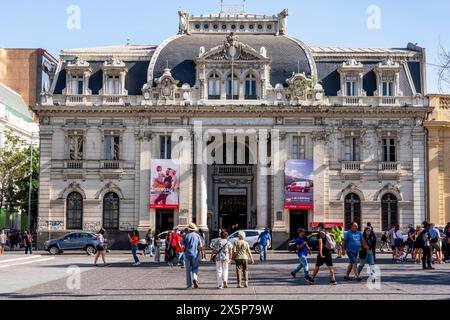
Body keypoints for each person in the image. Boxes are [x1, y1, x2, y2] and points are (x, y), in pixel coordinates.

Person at [181, 223, 203, 290]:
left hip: (187, 254)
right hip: (195, 254)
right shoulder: (197, 236)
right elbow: (200, 246)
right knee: (195, 267)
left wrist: (184, 251)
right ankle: (194, 277)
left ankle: (189, 285)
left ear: (189, 229)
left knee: (188, 270)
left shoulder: (185, 236)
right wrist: (200, 253)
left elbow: (182, 246)